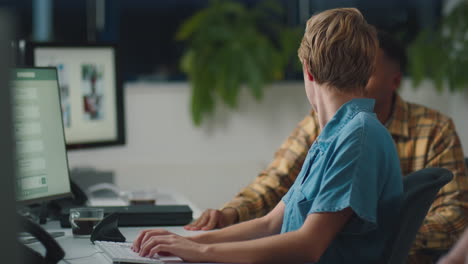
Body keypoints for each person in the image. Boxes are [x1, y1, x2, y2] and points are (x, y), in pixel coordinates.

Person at [132, 8, 403, 263]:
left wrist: (201, 251)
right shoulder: (335, 134)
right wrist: (189, 240)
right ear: (368, 71)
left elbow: (309, 245)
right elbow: (271, 223)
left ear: (307, 69)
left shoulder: (359, 137)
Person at [185, 28, 468, 264]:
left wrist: (393, 232)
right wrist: (220, 221)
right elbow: (275, 185)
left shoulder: (372, 134)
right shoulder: (326, 128)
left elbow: (453, 216)